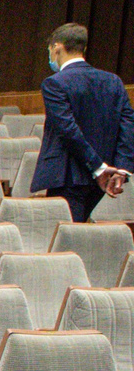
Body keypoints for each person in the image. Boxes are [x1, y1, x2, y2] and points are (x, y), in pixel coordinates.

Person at [32, 22, 134, 222]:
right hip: (106, 177)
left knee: (67, 234)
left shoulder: (55, 83)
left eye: (50, 50)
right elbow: (128, 125)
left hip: (68, 176)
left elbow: (67, 129)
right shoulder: (113, 81)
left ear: (57, 47)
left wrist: (98, 167)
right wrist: (121, 168)